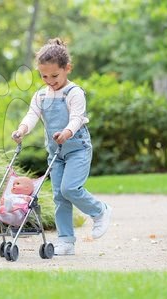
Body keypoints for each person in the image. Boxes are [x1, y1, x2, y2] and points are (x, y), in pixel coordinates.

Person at [11, 38, 112, 255]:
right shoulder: (40, 95)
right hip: (56, 154)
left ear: (67, 69)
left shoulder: (74, 92)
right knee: (59, 195)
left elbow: (77, 118)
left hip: (77, 148)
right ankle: (66, 241)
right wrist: (21, 130)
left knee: (70, 189)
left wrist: (66, 133)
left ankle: (99, 211)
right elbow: (32, 116)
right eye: (44, 76)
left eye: (55, 76)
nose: (49, 80)